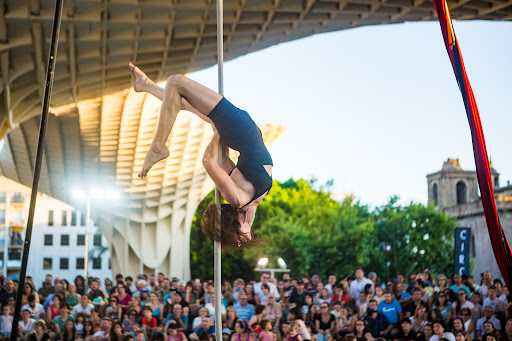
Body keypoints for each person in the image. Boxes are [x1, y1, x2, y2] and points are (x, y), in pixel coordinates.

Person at [129, 63, 273, 248]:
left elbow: (210, 161)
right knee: (179, 97)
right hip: (240, 129)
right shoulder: (244, 201)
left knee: (176, 83)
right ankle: (146, 85)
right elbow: (221, 161)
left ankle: (158, 146)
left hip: (240, 129)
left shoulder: (241, 197)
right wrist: (217, 133)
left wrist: (217, 135)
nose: (247, 226)